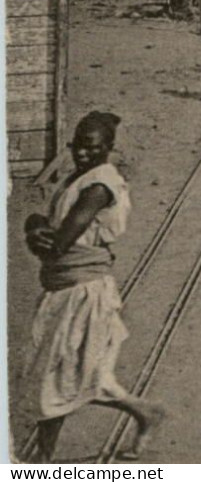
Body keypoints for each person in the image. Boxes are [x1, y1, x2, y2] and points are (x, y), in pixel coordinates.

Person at [25, 113, 166, 462]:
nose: (83, 154)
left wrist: (35, 229)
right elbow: (49, 225)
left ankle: (41, 463)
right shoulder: (81, 178)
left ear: (108, 148)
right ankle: (146, 413)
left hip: (82, 294)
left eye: (92, 147)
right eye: (78, 146)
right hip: (68, 288)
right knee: (88, 375)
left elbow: (58, 243)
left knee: (54, 379)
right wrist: (34, 224)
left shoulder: (99, 187)